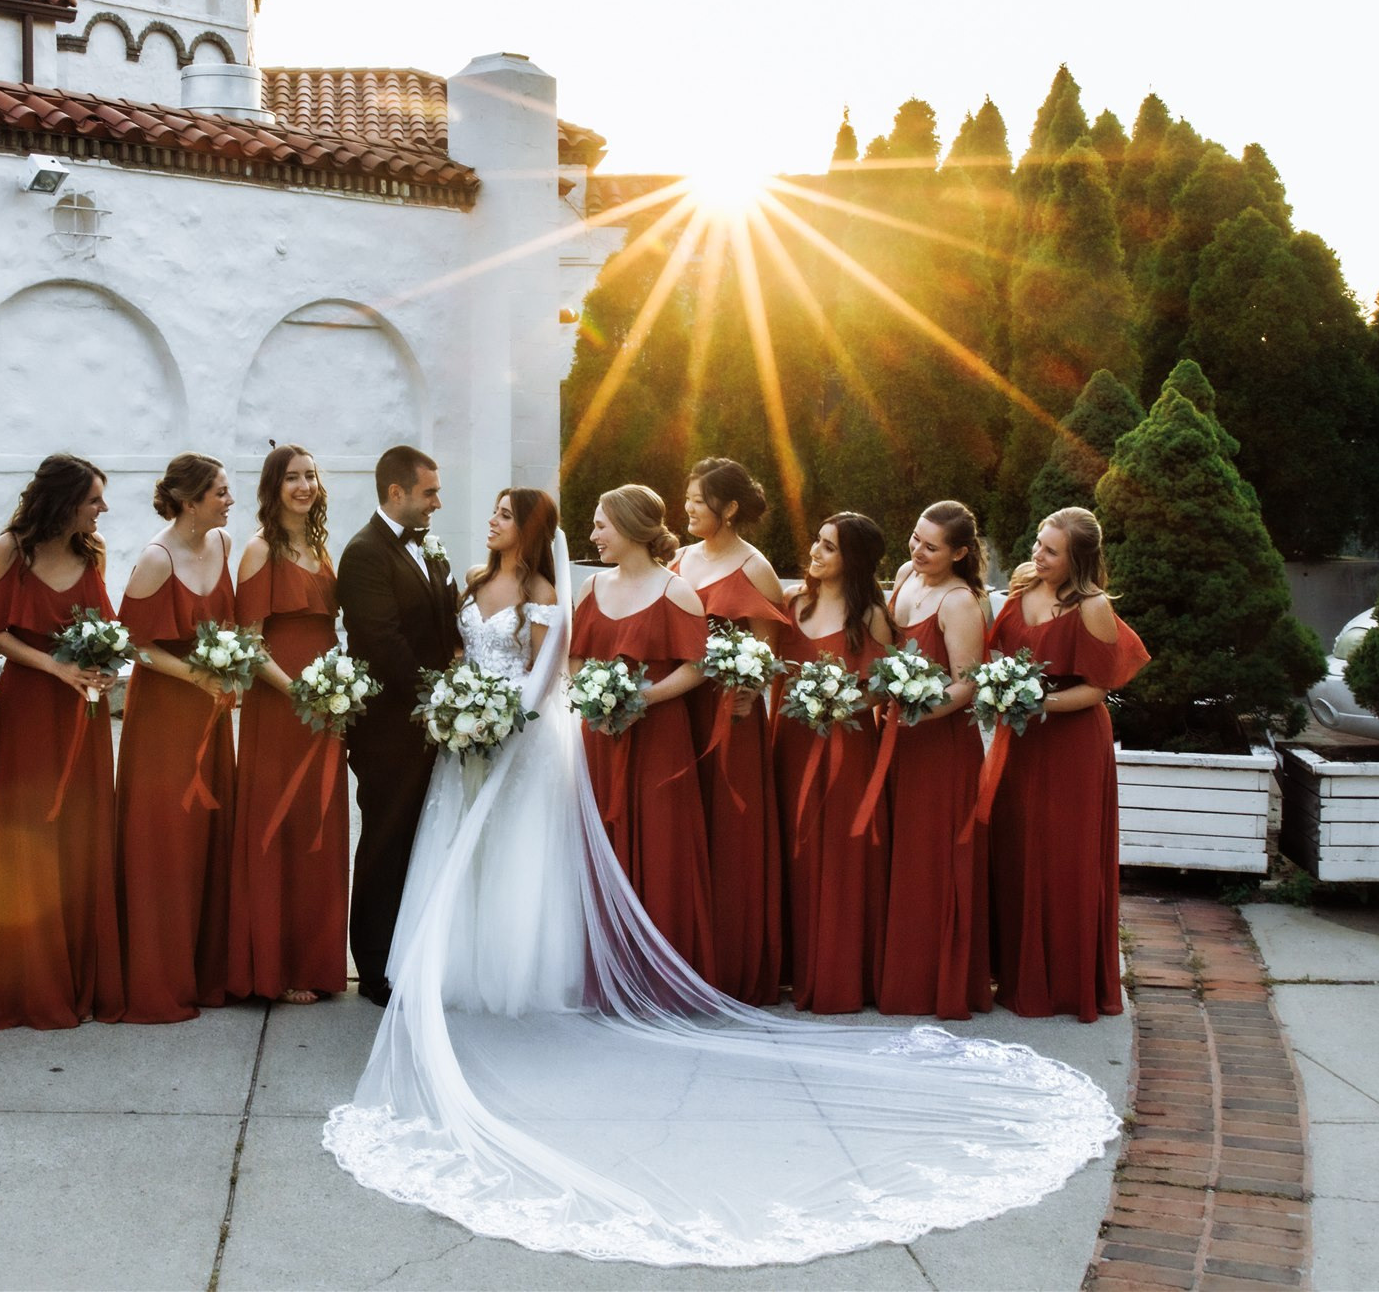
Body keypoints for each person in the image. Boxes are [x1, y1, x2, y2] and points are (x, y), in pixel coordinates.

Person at [325, 510, 1120, 1267]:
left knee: (864, 863)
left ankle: (915, 974)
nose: (914, 550)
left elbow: (922, 668)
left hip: (890, 745)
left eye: (926, 541)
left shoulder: (919, 603)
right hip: (748, 737)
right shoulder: (824, 594)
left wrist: (899, 698)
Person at [389, 488, 578, 1014]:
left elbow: (542, 676)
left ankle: (507, 971)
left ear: (530, 529)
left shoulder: (541, 592)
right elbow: (456, 653)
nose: (491, 521)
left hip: (516, 734)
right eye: (493, 511)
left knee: (507, 847)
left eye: (505, 515)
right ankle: (453, 965)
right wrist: (455, 709)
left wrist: (498, 723)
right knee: (457, 841)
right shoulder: (473, 580)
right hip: (462, 730)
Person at [0, 455, 127, 1030]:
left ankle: (83, 971)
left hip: (80, 712)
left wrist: (102, 666)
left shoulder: (94, 553)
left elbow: (102, 628)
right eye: (93, 500)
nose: (103, 510)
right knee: (30, 830)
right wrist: (57, 669)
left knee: (81, 832)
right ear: (64, 502)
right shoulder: (10, 550)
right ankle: (30, 977)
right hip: (30, 709)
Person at [987, 508, 1150, 1021]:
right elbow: (997, 654)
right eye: (1039, 542)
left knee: (1064, 859)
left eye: (1051, 551)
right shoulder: (1020, 585)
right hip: (1021, 741)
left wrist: (1035, 702)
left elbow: (1098, 689)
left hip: (1072, 745)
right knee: (1016, 849)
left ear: (1078, 559)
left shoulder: (1093, 606)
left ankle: (1066, 985)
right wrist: (1002, 690)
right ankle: (1015, 977)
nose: (1038, 554)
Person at [570, 484, 714, 978]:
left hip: (659, 739)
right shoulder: (590, 588)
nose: (594, 536)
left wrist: (640, 699)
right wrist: (591, 691)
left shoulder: (677, 592)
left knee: (662, 846)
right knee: (601, 841)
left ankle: (660, 974)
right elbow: (575, 654)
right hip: (601, 735)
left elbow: (697, 667)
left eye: (601, 525)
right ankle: (609, 969)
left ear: (631, 528)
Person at [117, 453, 240, 1023]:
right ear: (190, 501)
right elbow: (135, 644)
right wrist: (199, 675)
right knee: (166, 838)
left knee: (209, 833)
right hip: (165, 714)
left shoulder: (223, 545)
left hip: (210, 711)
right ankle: (159, 974)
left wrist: (227, 672)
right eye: (219, 492)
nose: (229, 500)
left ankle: (205, 969)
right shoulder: (155, 559)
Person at [339, 446, 460, 1006]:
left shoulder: (430, 549)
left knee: (422, 842)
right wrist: (438, 695)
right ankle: (374, 966)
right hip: (388, 728)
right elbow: (384, 641)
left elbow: (447, 621)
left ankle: (412, 953)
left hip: (433, 725)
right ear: (397, 493)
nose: (437, 502)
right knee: (385, 842)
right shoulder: (363, 554)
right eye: (429, 492)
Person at [229, 445, 347, 1005]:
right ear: (274, 487)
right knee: (279, 824)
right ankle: (275, 965)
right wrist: (299, 691)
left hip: (327, 706)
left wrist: (336, 689)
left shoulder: (322, 549)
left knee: (318, 825)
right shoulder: (257, 551)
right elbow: (248, 642)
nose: (304, 486)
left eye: (311, 477)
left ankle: (314, 960)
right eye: (293, 478)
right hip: (280, 707)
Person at [671, 458, 790, 1005]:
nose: (689, 507)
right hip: (679, 710)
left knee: (730, 834)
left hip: (731, 716)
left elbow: (769, 652)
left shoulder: (756, 569)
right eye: (689, 498)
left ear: (731, 508)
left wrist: (750, 687)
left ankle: (730, 966)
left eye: (699, 499)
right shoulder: (678, 560)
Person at [773, 512, 895, 1015]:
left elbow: (888, 683)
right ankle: (793, 969)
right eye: (818, 542)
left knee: (844, 856)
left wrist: (842, 703)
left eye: (830, 547)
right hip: (790, 742)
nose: (816, 552)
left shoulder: (870, 617)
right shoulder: (792, 603)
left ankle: (843, 972)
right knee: (794, 849)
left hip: (849, 748)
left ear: (854, 560)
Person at [877, 500, 993, 1020]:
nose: (917, 551)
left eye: (931, 546)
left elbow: (966, 685)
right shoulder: (904, 576)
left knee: (931, 862)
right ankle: (895, 972)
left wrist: (917, 715)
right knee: (897, 857)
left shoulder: (959, 602)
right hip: (896, 741)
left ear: (961, 553)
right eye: (915, 538)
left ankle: (933, 982)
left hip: (940, 746)